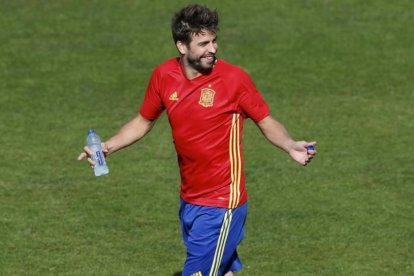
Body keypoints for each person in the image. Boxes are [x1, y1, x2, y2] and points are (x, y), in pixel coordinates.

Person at [78, 4, 316, 276]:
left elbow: (265, 120)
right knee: (222, 271)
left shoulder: (234, 79)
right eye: (203, 43)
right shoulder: (163, 76)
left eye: (214, 41)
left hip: (223, 203)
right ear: (182, 46)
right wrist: (108, 146)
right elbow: (143, 121)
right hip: (190, 199)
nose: (212, 49)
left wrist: (289, 145)